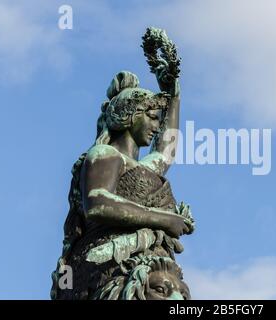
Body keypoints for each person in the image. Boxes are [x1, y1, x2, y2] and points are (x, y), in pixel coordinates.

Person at [51, 69, 194, 300]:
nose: (157, 126)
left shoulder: (143, 168)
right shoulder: (105, 154)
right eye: (152, 117)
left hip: (145, 269)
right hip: (110, 268)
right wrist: (165, 219)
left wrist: (174, 96)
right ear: (131, 114)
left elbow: (166, 151)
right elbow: (98, 203)